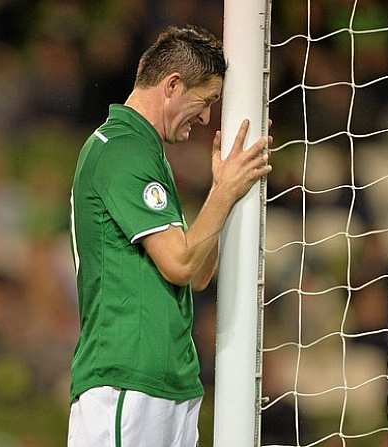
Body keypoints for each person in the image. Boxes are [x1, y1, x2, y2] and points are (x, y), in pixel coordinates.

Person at [67, 24, 272, 446]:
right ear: (173, 85)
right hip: (126, 379)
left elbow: (197, 273)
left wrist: (223, 195)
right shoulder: (121, 148)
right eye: (206, 101)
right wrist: (224, 190)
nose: (206, 117)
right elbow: (179, 264)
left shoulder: (147, 153)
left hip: (169, 381)